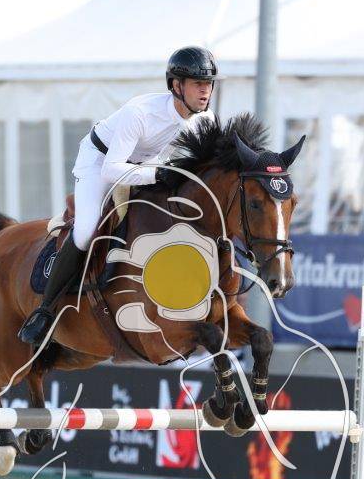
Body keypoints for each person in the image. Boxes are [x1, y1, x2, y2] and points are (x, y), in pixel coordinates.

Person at [17, 46, 218, 346]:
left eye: (209, 83)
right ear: (177, 86)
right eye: (198, 83)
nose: (205, 91)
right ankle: (44, 310)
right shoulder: (141, 113)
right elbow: (112, 169)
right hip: (100, 162)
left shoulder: (205, 119)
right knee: (86, 232)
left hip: (145, 163)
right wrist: (157, 174)